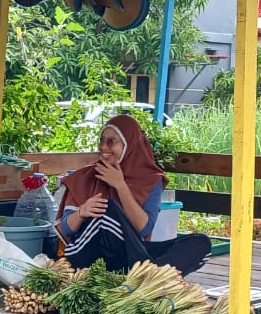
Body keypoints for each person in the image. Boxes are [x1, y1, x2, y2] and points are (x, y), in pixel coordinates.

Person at [56, 113, 211, 276]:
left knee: (200, 243)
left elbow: (143, 228)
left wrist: (120, 185)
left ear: (129, 145)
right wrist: (81, 212)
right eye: (102, 140)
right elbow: (65, 229)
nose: (103, 147)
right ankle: (145, 274)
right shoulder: (84, 177)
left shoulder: (150, 180)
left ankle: (146, 274)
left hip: (130, 252)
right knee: (108, 210)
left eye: (111, 141)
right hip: (87, 255)